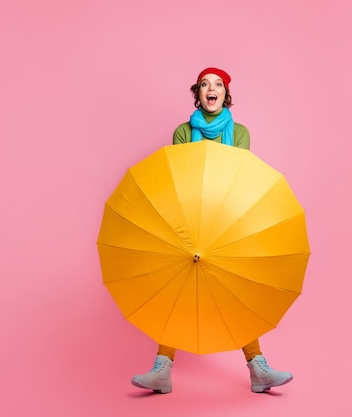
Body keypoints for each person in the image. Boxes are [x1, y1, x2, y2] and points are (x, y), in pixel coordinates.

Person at [131, 67, 293, 394]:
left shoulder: (241, 132)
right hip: (188, 221)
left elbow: (239, 177)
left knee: (234, 291)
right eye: (205, 84)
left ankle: (257, 368)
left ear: (225, 94)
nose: (211, 89)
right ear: (198, 94)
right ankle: (162, 369)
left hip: (229, 221)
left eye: (217, 84)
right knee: (175, 287)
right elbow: (180, 177)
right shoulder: (181, 131)